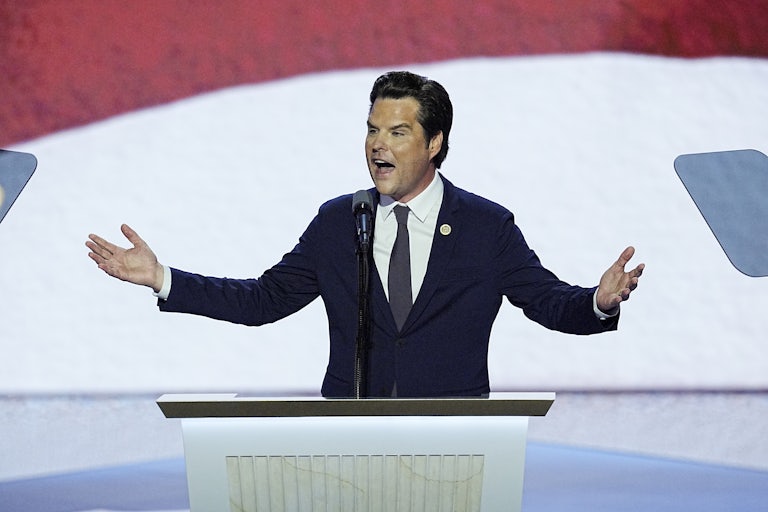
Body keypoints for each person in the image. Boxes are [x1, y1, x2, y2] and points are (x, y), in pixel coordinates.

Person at [86, 71, 644, 398]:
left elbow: (546, 302)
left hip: (456, 442)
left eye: (398, 133)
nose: (379, 145)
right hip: (351, 435)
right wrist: (161, 278)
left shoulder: (485, 226)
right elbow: (263, 300)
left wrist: (597, 301)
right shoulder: (338, 220)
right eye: (372, 130)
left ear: (434, 144)